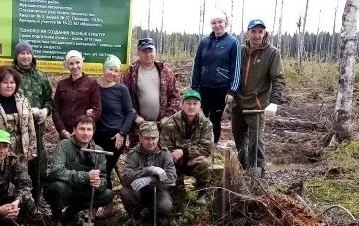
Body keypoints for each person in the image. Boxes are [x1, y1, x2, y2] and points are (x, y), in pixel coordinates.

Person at [45, 115, 114, 226]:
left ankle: (71, 212)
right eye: (82, 129)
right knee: (58, 187)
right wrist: (86, 176)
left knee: (107, 194)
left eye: (89, 129)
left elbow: (104, 178)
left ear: (93, 132)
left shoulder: (98, 151)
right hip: (64, 189)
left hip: (83, 192)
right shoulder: (64, 145)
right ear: (74, 130)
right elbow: (56, 171)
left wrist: (99, 183)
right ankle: (57, 219)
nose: (85, 133)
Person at [232, 19, 285, 177]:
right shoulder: (239, 50)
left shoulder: (272, 53)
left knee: (256, 143)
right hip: (237, 105)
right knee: (239, 140)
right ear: (247, 33)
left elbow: (278, 78)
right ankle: (245, 169)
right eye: (253, 31)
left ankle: (259, 173)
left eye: (260, 31)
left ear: (264, 33)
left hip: (257, 106)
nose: (256, 35)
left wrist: (274, 102)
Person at [191, 10, 241, 144]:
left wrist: (231, 91)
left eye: (220, 22)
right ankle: (196, 145)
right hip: (203, 88)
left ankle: (212, 146)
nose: (217, 25)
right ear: (211, 25)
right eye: (214, 22)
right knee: (197, 117)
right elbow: (196, 66)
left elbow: (236, 68)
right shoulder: (204, 41)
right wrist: (194, 89)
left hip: (221, 88)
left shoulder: (233, 42)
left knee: (215, 119)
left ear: (226, 23)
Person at [12, 40, 53, 204]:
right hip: (16, 130)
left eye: (28, 53)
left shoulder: (41, 77)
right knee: (18, 166)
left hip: (37, 129)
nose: (25, 56)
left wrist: (45, 111)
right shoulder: (10, 75)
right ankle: (18, 201)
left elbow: (49, 100)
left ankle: (36, 200)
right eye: (22, 53)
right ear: (16, 56)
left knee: (40, 167)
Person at [121, 38, 180, 146]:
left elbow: (175, 97)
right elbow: (123, 98)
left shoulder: (166, 71)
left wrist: (167, 116)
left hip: (161, 125)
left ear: (155, 51)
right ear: (138, 53)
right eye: (144, 51)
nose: (148, 54)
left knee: (160, 155)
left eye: (150, 50)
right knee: (138, 155)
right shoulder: (130, 72)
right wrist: (135, 116)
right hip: (138, 125)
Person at [160, 89, 214, 205]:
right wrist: (184, 162)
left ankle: (202, 193)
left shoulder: (206, 124)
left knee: (204, 162)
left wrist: (184, 152)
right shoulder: (170, 123)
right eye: (188, 103)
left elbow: (206, 148)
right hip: (175, 164)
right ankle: (178, 192)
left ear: (200, 106)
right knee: (179, 202)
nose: (192, 106)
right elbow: (165, 150)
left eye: (195, 103)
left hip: (194, 162)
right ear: (182, 105)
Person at [0, 66, 37, 166]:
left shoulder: (23, 102)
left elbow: (31, 128)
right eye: (5, 82)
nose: (9, 86)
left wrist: (32, 151)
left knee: (20, 180)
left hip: (21, 155)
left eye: (12, 82)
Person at [121, 122, 177, 225]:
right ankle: (135, 217)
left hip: (158, 191)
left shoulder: (165, 153)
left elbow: (172, 177)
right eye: (147, 138)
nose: (151, 142)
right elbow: (125, 177)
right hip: (138, 192)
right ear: (140, 138)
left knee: (165, 206)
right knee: (126, 192)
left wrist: (150, 180)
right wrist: (148, 170)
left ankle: (156, 217)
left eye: (153, 138)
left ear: (158, 137)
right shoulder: (133, 154)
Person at [94, 54, 134, 190]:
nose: (112, 73)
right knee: (98, 169)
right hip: (97, 136)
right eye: (110, 69)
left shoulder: (122, 89)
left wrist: (122, 133)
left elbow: (130, 113)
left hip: (115, 137)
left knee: (104, 169)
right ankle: (106, 202)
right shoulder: (96, 89)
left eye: (116, 70)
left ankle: (105, 202)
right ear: (104, 69)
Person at [52, 50, 101, 139]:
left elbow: (97, 110)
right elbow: (56, 110)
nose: (75, 66)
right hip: (66, 134)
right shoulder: (62, 84)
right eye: (71, 63)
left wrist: (83, 129)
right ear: (67, 65)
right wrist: (62, 130)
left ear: (82, 63)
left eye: (77, 62)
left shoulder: (92, 83)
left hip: (84, 134)